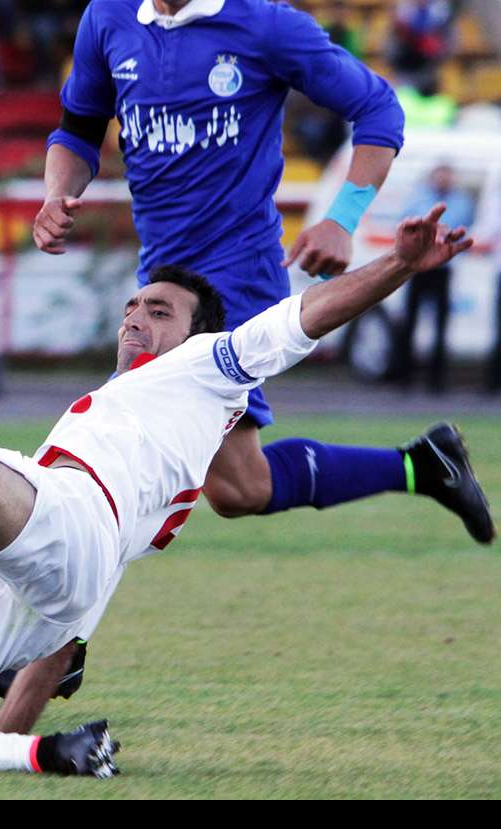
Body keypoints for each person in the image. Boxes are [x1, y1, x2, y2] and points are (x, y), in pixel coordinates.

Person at [0, 205, 493, 777]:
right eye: (132, 305)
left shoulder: (202, 367)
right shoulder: (140, 447)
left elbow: (302, 317)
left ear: (199, 335)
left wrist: (397, 263)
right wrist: (23, 740)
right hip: (36, 591)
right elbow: (65, 633)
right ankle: (35, 752)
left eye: (158, 310)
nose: (135, 315)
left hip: (54, 528)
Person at [32, 0, 436, 532]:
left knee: (118, 427)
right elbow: (78, 128)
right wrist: (58, 194)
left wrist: (342, 218)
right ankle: (422, 466)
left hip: (233, 275)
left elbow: (379, 107)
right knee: (240, 487)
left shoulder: (265, 25)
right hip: (161, 273)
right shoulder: (108, 18)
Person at [391, 162, 475, 392]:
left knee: (440, 324)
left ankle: (436, 380)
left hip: (443, 269)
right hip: (418, 269)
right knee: (410, 322)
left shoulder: (461, 200)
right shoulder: (418, 197)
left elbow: (464, 225)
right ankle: (404, 375)